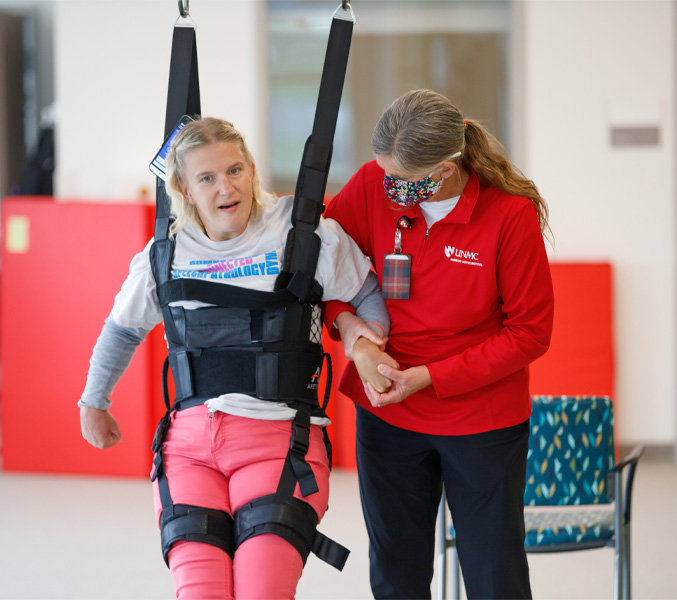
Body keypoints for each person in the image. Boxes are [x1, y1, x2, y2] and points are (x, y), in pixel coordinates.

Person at [77, 116, 394, 599]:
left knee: (262, 591)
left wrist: (370, 346)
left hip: (280, 444)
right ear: (183, 187)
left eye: (235, 170)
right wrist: (93, 401)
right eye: (207, 177)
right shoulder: (165, 253)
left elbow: (368, 293)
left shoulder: (301, 232)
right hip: (188, 452)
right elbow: (122, 329)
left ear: (252, 170)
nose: (227, 187)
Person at [323, 89, 554, 599]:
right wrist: (356, 339)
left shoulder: (508, 216)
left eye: (402, 180)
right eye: (384, 173)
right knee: (395, 574)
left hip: (482, 419)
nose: (388, 187)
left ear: (445, 171)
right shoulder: (368, 187)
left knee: (495, 575)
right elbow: (326, 276)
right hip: (388, 415)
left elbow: (531, 332)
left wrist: (431, 377)